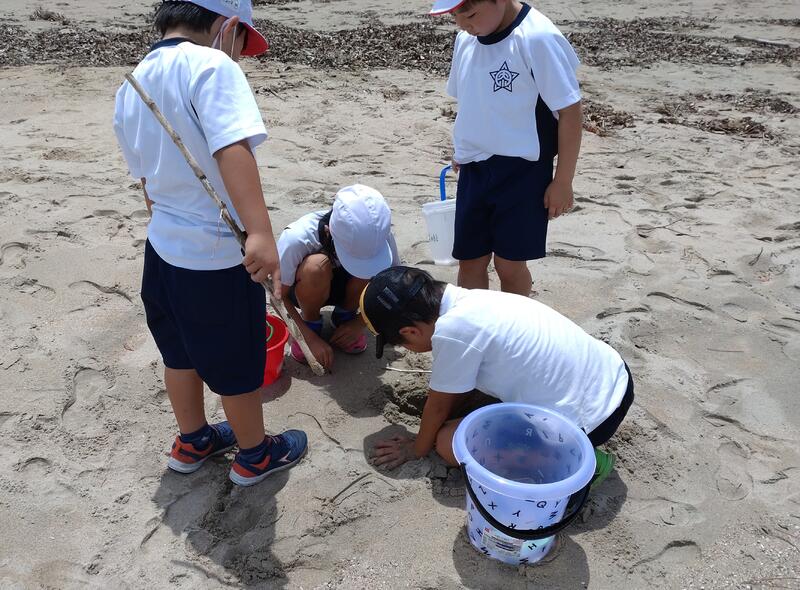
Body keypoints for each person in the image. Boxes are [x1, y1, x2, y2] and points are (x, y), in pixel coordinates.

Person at [113, 0, 307, 487]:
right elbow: (231, 147)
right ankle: (255, 455)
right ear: (229, 26)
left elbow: (145, 179)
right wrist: (260, 232)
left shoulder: (134, 80)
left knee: (178, 353)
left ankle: (193, 439)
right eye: (242, 43)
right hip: (216, 256)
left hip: (162, 252)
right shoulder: (213, 66)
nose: (239, 56)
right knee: (237, 363)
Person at [362, 266, 633, 487]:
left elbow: (439, 406)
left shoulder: (451, 331)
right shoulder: (472, 299)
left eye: (403, 344)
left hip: (590, 422)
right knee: (469, 411)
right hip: (615, 378)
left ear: (410, 332)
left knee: (448, 443)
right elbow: (454, 393)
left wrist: (417, 449)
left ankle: (582, 464)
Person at [430, 0, 583, 296]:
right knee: (470, 260)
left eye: (470, 14)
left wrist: (563, 181)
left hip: (523, 171)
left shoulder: (537, 38)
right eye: (454, 17)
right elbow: (472, 102)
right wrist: (463, 148)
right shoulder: (466, 40)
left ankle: (514, 321)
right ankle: (475, 321)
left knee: (509, 265)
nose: (463, 25)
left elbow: (570, 111)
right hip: (474, 169)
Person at [278, 184, 400, 371]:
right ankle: (311, 322)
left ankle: (344, 316)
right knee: (315, 266)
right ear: (329, 231)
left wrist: (361, 322)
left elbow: (394, 284)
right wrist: (307, 338)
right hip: (307, 287)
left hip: (350, 289)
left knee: (371, 271)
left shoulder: (378, 235)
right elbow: (279, 296)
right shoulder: (296, 239)